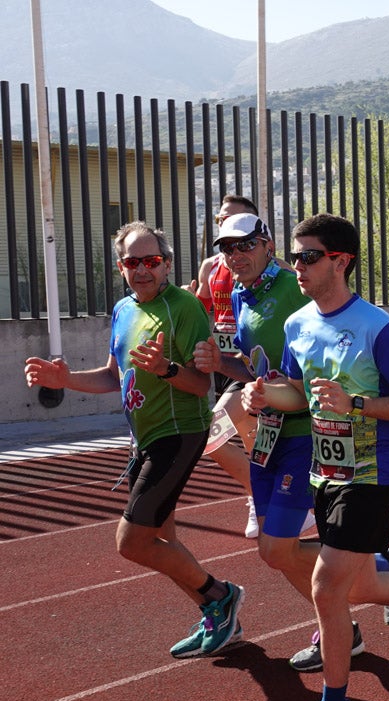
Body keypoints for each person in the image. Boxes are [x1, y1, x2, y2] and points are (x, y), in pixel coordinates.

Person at [240, 213, 389, 701]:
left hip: (372, 476)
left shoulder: (376, 327)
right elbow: (298, 395)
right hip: (326, 471)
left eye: (308, 256)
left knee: (326, 589)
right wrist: (264, 396)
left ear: (340, 261)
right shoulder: (299, 325)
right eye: (293, 257)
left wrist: (356, 402)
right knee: (361, 586)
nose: (296, 266)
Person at [192, 213, 389, 673]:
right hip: (272, 429)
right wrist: (224, 366)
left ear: (266, 245)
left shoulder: (298, 287)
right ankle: (369, 575)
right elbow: (263, 369)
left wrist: (354, 400)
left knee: (285, 552)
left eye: (245, 245)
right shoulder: (239, 294)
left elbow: (341, 327)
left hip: (308, 434)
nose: (235, 256)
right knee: (276, 552)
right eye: (226, 248)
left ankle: (344, 633)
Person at [25, 221, 246, 659]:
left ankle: (220, 595)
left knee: (132, 542)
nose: (142, 270)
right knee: (162, 539)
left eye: (151, 261)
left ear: (166, 264)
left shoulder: (183, 308)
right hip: (142, 438)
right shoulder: (123, 309)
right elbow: (113, 375)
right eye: (132, 262)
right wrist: (66, 379)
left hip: (179, 432)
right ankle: (216, 614)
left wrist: (166, 368)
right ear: (121, 267)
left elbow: (202, 385)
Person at [189, 194, 268, 538]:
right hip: (224, 365)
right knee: (253, 441)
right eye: (222, 221)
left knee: (215, 435)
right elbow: (201, 308)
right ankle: (265, 500)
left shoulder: (269, 269)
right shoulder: (211, 266)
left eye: (239, 224)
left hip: (253, 366)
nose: (229, 230)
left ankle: (264, 496)